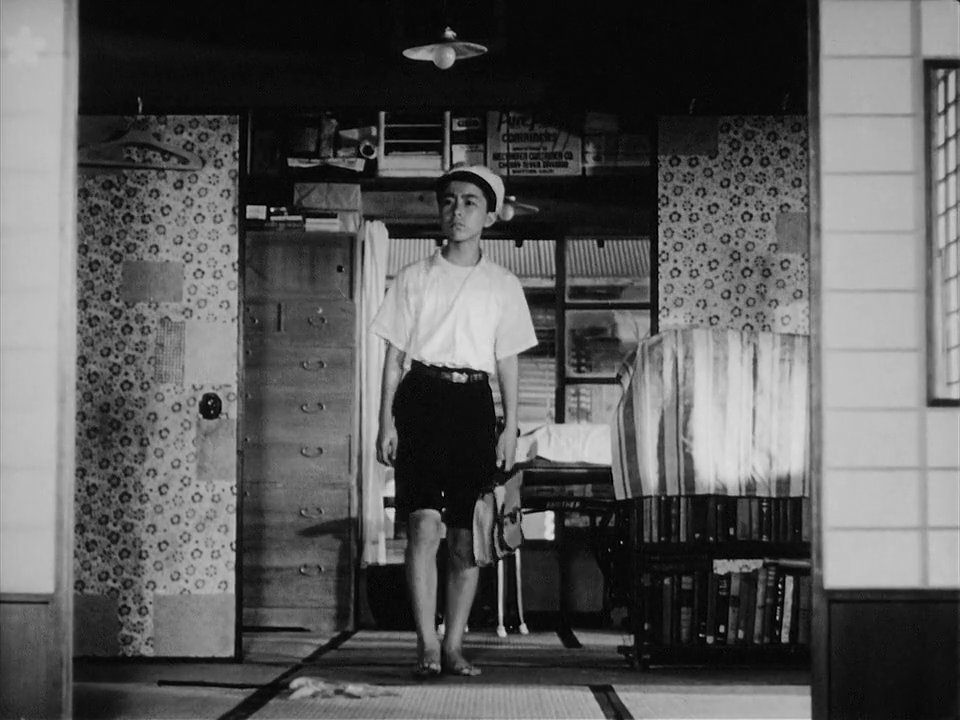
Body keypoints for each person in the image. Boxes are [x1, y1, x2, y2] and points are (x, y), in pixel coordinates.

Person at [371, 164, 538, 678]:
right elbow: (394, 358)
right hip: (420, 399)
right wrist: (385, 423)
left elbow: (508, 361)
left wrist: (510, 427)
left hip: (473, 407)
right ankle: (425, 643)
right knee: (423, 526)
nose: (457, 211)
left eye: (470, 202)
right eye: (449, 201)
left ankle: (453, 646)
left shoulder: (503, 284)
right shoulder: (414, 277)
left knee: (467, 536)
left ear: (490, 216)